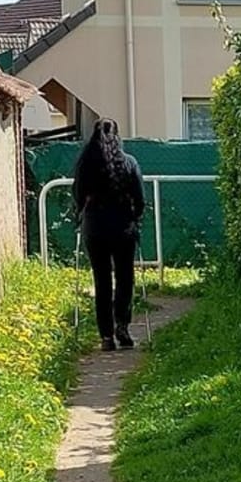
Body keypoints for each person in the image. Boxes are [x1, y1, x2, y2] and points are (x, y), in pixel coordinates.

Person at [72, 119, 147, 351]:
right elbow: (140, 198)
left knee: (101, 280)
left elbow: (77, 194)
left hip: (95, 227)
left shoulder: (87, 164)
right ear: (117, 137)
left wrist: (82, 214)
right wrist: (134, 217)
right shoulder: (129, 163)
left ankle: (105, 336)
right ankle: (122, 325)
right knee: (125, 278)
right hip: (123, 227)